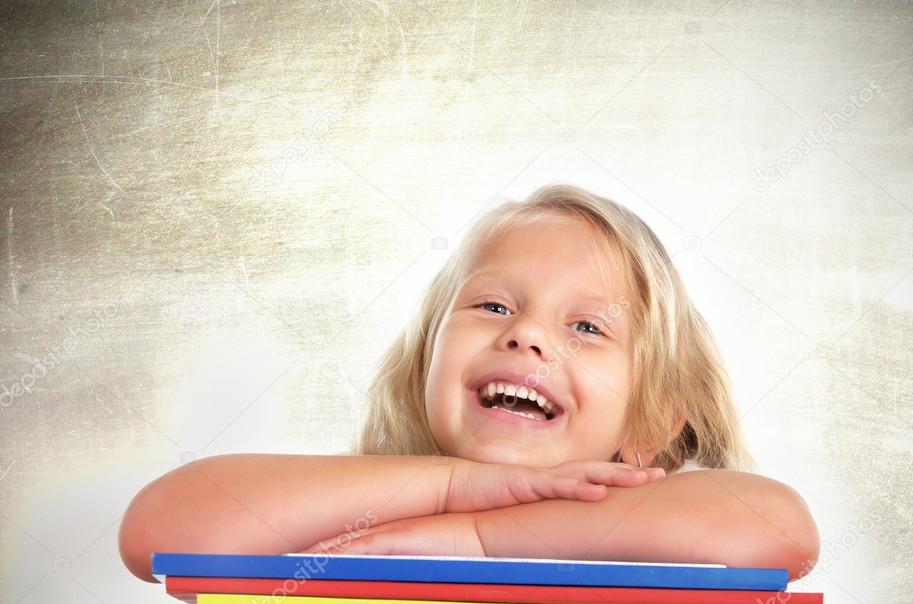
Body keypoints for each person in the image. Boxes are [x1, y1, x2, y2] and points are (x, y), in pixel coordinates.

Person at [119, 184, 819, 583]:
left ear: (652, 423)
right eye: (493, 307)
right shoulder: (365, 515)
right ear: (427, 358)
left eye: (588, 327)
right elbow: (158, 530)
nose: (528, 335)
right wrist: (451, 489)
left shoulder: (648, 523)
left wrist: (477, 535)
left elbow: (776, 529)